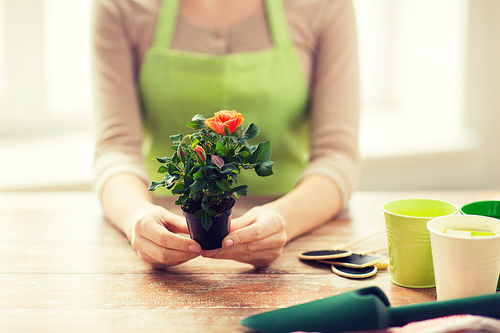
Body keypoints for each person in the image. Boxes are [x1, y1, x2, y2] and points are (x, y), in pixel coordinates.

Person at [91, 0, 360, 268]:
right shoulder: (120, 6)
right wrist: (136, 214)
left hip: (294, 241)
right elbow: (116, 147)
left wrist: (284, 218)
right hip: (167, 236)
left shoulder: (325, 5)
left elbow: (337, 153)